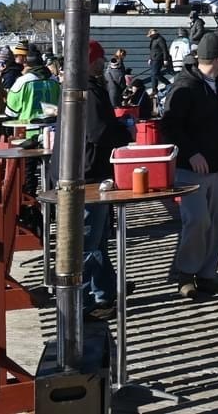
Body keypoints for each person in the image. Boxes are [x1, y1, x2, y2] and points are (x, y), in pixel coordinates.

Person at [160, 32, 218, 299]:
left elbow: (216, 113)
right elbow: (169, 125)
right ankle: (185, 273)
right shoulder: (185, 86)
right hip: (191, 166)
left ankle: (207, 274)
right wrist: (191, 153)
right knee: (197, 220)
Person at [82, 40, 133, 321]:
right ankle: (88, 300)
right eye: (100, 59)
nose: (104, 63)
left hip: (92, 170)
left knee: (98, 238)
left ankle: (104, 291)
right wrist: (124, 134)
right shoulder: (88, 92)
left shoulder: (87, 89)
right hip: (88, 173)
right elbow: (97, 132)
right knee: (89, 240)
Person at [4, 51, 60, 124]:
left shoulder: (22, 81)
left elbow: (11, 112)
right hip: (51, 127)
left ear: (26, 64)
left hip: (28, 128)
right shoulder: (54, 81)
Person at [146, 28, 171, 92]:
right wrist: (150, 58)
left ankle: (168, 83)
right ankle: (154, 89)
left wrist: (165, 59)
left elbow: (164, 50)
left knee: (155, 73)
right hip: (153, 59)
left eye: (151, 35)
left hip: (158, 59)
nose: (150, 37)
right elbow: (152, 50)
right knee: (152, 75)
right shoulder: (153, 40)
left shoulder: (160, 39)